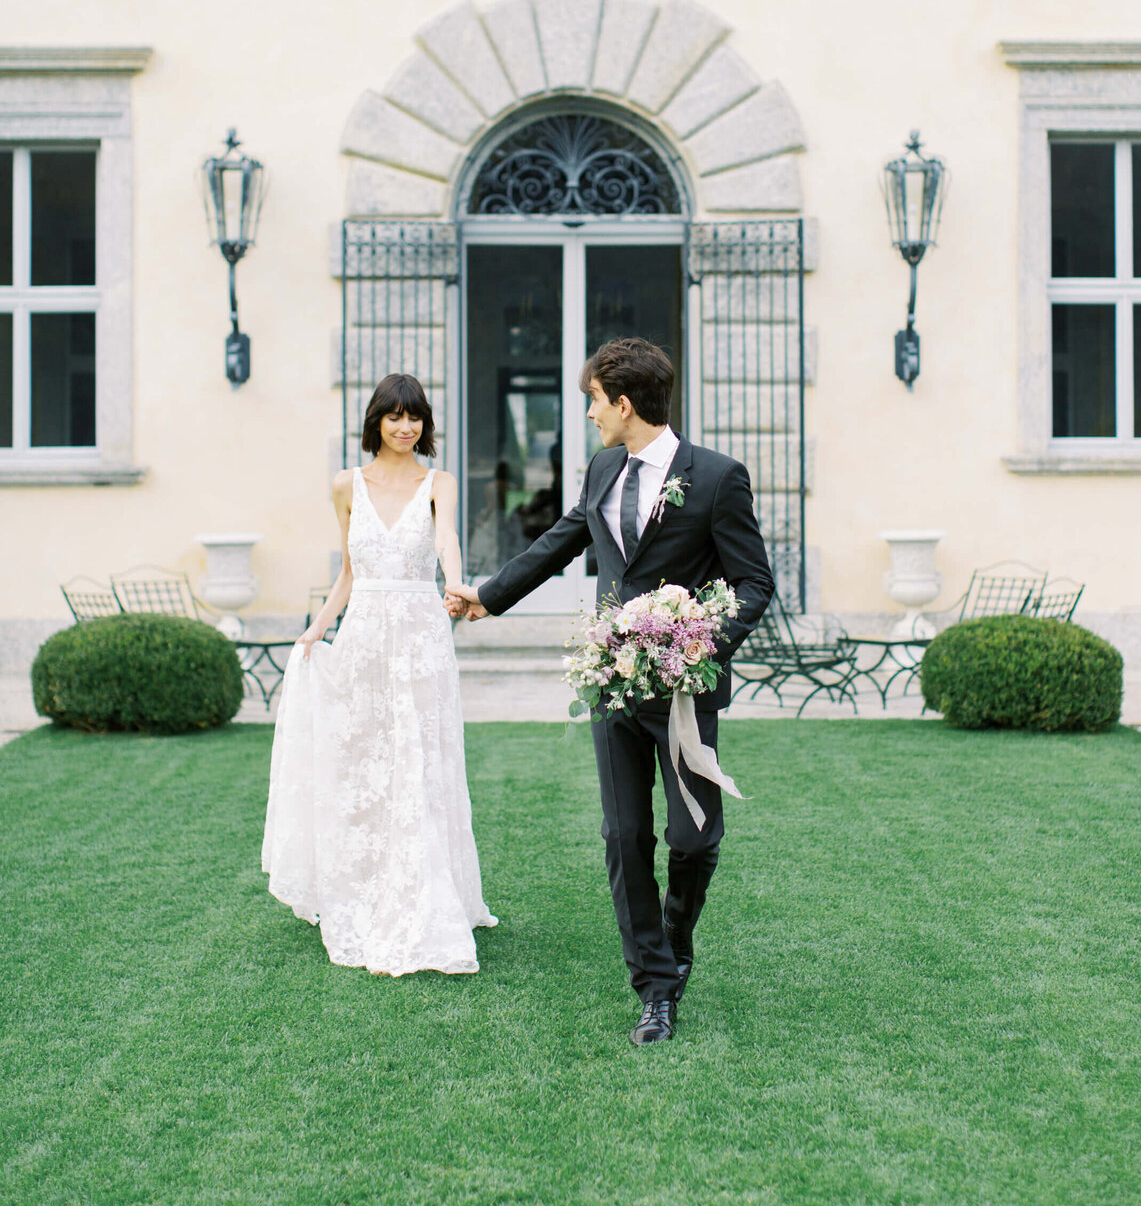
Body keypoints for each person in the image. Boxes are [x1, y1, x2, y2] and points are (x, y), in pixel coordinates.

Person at [446, 337, 774, 1045]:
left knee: (692, 837)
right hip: (611, 686)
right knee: (624, 837)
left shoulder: (717, 478)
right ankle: (655, 986)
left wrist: (700, 646)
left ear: (624, 403)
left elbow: (756, 583)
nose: (589, 412)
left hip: (684, 690)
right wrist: (487, 596)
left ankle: (678, 942)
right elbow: (564, 538)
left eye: (593, 400)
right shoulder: (600, 468)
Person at [262, 373, 496, 976]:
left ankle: (428, 896)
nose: (405, 426)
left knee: (420, 759)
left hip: (420, 634)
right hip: (364, 633)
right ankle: (362, 886)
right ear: (375, 422)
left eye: (414, 416)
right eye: (394, 416)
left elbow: (446, 540)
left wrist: (454, 583)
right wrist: (317, 629)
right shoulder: (346, 486)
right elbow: (348, 570)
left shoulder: (438, 483)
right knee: (365, 760)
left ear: (424, 424)